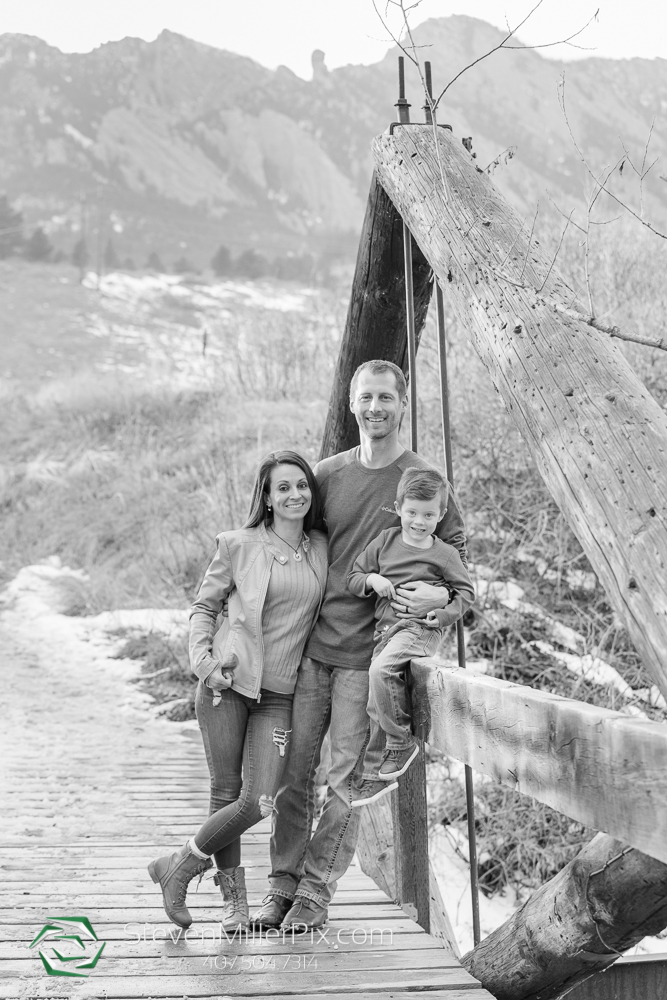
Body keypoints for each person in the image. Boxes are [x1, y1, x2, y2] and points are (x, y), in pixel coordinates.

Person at [251, 359, 468, 933]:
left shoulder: (424, 481)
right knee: (293, 776)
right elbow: (279, 542)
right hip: (308, 648)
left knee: (346, 781)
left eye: (386, 398)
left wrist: (436, 604)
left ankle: (316, 895)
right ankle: (281, 886)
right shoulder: (324, 475)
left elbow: (459, 566)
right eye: (365, 397)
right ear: (352, 403)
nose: (375, 408)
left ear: (403, 403)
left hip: (367, 657)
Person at [148, 451, 328, 930]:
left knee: (259, 801)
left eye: (302, 485)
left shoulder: (322, 548)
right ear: (266, 498)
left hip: (280, 694)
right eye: (283, 488)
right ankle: (234, 905)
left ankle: (179, 865)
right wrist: (205, 664)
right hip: (226, 685)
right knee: (225, 790)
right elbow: (202, 609)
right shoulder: (238, 545)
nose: (295, 495)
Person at [347, 466, 475, 805]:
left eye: (429, 514)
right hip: (385, 631)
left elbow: (466, 593)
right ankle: (378, 776)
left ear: (441, 514)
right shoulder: (385, 542)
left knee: (381, 672)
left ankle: (401, 744)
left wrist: (443, 614)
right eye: (412, 512)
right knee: (376, 702)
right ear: (399, 507)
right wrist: (372, 581)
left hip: (421, 628)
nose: (419, 521)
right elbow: (354, 576)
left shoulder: (444, 553)